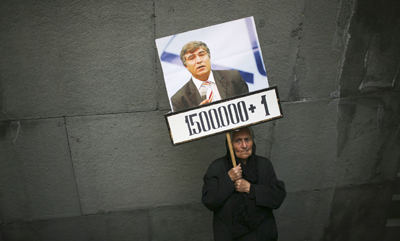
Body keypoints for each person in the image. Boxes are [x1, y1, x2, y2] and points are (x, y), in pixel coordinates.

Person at [202, 127, 286, 240]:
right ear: (229, 144)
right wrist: (229, 179)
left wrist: (250, 188)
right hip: (230, 236)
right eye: (238, 141)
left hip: (262, 235)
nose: (244, 145)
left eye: (247, 139)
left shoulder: (264, 165)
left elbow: (277, 197)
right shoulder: (217, 167)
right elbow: (209, 201)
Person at [171, 41, 249, 112]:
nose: (198, 61)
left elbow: (249, 106)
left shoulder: (233, 77)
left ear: (209, 57)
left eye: (201, 54)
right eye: (192, 58)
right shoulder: (179, 99)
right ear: (186, 66)